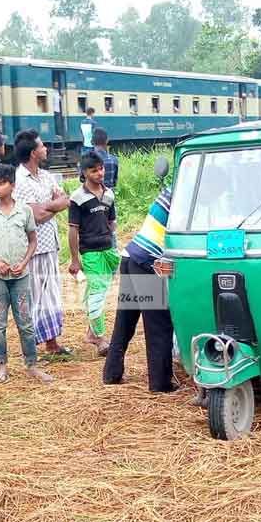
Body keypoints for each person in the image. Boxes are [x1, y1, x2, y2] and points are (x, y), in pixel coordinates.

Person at [0, 164, 52, 384]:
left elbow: (33, 240)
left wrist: (24, 262)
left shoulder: (24, 210)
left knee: (25, 322)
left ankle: (32, 365)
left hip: (21, 277)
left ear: (12, 186)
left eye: (1, 183)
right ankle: (1, 366)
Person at [103, 186, 178, 394]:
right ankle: (161, 384)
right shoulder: (187, 193)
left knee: (125, 321)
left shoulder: (171, 188)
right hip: (148, 260)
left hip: (131, 255)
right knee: (159, 326)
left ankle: (111, 373)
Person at [12, 129, 72, 358]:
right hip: (33, 247)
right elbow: (33, 216)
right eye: (42, 145)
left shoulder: (46, 176)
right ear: (33, 153)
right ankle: (31, 347)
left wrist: (47, 207)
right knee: (35, 295)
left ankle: (51, 342)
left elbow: (64, 199)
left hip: (51, 244)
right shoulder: (19, 180)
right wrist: (53, 206)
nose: (46, 148)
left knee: (51, 293)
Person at [68, 152, 119, 356]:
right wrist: (74, 259)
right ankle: (100, 338)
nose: (100, 173)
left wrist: (114, 244)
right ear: (84, 172)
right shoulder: (77, 198)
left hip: (109, 250)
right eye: (94, 170)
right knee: (97, 292)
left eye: (101, 169)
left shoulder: (109, 194)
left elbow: (112, 223)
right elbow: (73, 230)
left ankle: (91, 332)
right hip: (90, 253)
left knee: (99, 290)